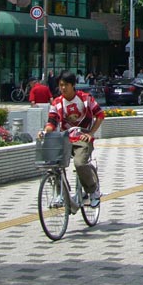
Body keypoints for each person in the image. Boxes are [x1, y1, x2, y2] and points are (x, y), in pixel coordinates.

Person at [41, 70, 105, 207]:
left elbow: (100, 115)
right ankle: (60, 194)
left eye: (66, 85)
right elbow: (51, 121)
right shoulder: (57, 102)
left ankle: (93, 190)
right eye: (60, 85)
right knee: (52, 165)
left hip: (82, 138)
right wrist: (45, 132)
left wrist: (90, 133)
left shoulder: (85, 98)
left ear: (73, 85)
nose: (63, 88)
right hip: (64, 138)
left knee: (80, 163)